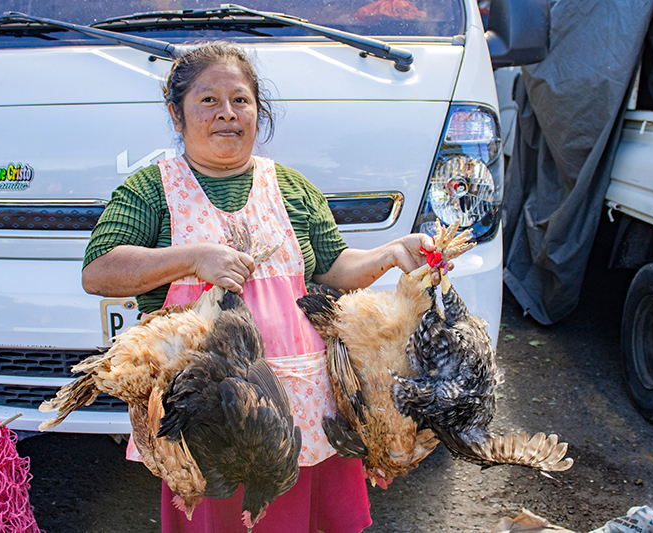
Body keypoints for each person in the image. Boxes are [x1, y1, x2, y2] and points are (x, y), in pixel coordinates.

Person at [82, 41, 440, 533]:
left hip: (304, 403)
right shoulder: (151, 190)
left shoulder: (290, 187)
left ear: (257, 110)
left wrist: (390, 253)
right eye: (208, 100)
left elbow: (335, 265)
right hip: (210, 413)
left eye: (240, 100)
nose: (226, 114)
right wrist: (192, 257)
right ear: (176, 112)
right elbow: (99, 270)